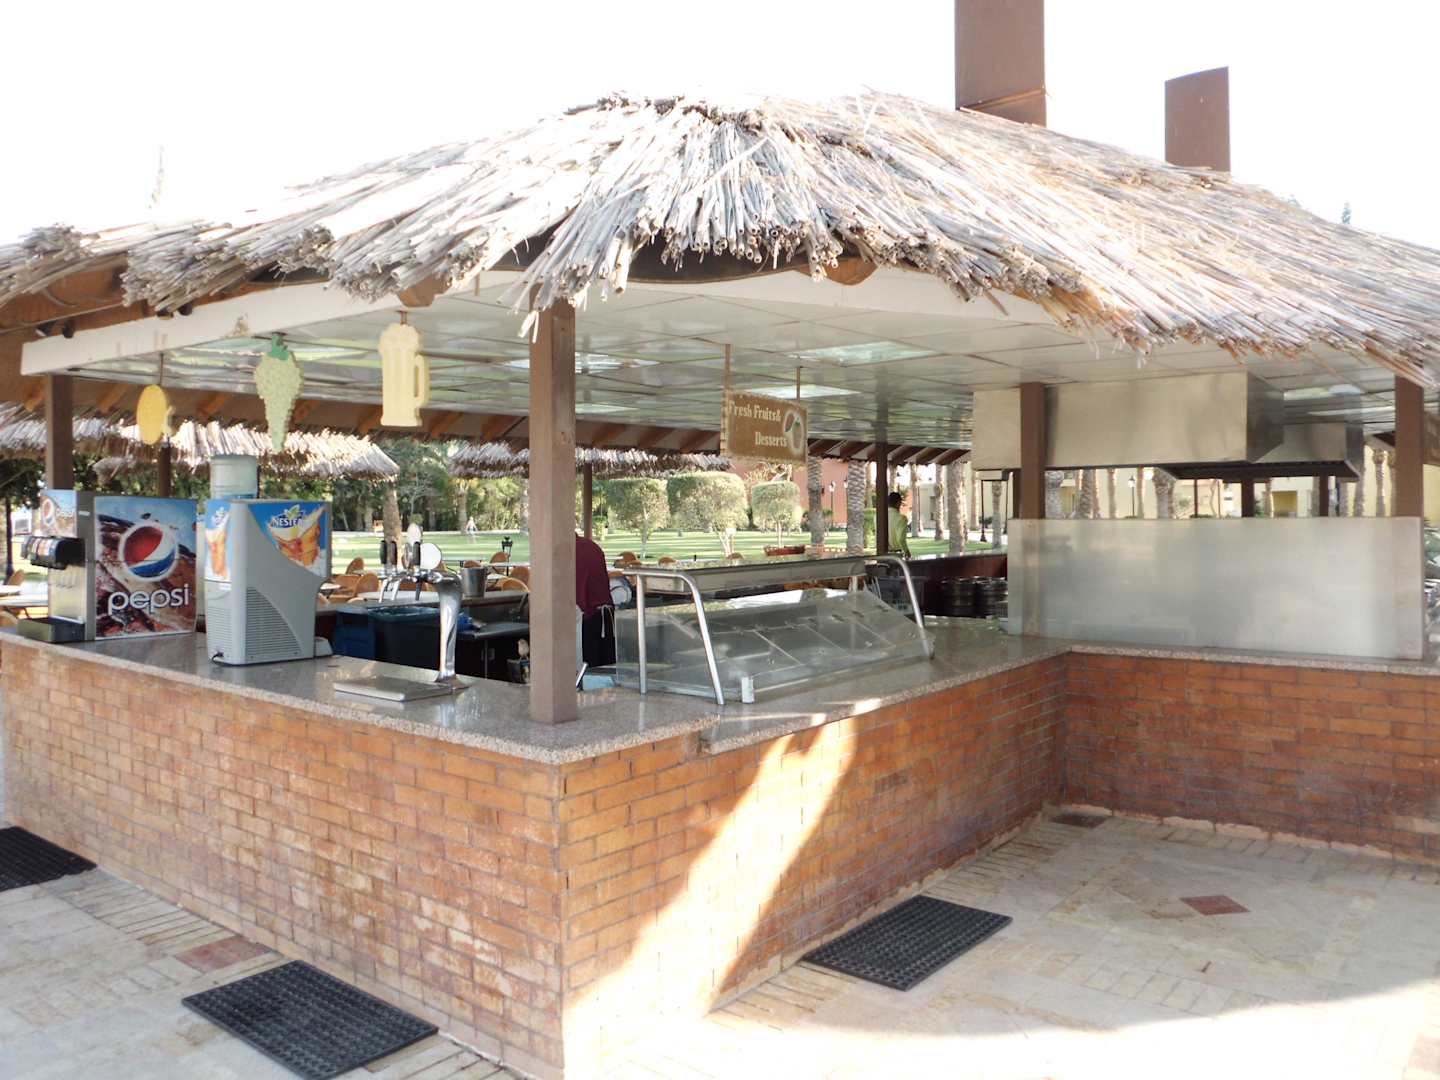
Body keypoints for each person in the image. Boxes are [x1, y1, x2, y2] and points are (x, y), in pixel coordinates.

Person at [575, 532, 615, 667]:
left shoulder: (568, 550)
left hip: (585, 617)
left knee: (587, 668)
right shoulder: (592, 546)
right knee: (603, 668)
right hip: (604, 616)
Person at [886, 491, 912, 557]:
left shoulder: (878, 517)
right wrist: (907, 551)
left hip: (881, 554)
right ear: (898, 503)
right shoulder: (901, 518)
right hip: (896, 555)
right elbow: (901, 539)